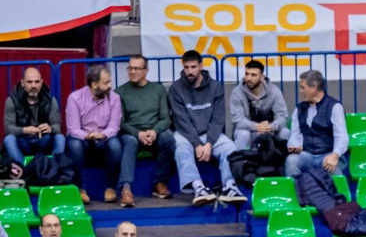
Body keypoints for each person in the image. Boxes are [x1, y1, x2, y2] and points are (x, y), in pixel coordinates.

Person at [170, 51, 245, 206]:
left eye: (193, 67)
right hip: (186, 134)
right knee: (179, 145)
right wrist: (197, 144)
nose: (190, 71)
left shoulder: (215, 87)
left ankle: (230, 186)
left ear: (201, 66)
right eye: (186, 67)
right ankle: (199, 187)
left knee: (230, 147)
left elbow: (218, 119)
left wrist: (209, 143)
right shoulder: (176, 88)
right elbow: (181, 120)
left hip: (210, 135)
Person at [115, 54, 176, 203]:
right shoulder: (120, 92)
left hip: (154, 131)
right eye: (130, 68)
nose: (132, 72)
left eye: (136, 68)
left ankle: (160, 182)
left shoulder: (158, 89)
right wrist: (138, 133)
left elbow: (165, 118)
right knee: (130, 143)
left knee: (168, 138)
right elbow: (120, 123)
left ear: (146, 71)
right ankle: (126, 189)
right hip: (131, 132)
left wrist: (154, 131)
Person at [64, 65, 125, 206]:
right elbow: (73, 129)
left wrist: (102, 135)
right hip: (83, 138)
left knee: (115, 145)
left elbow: (114, 127)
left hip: (104, 137)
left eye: (110, 82)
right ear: (94, 84)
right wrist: (87, 136)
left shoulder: (115, 98)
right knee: (74, 144)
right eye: (106, 83)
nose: (110, 86)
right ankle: (80, 187)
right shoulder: (75, 98)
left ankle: (110, 187)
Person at [286, 69, 348, 181]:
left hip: (327, 154)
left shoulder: (334, 107)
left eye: (303, 87)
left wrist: (335, 155)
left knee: (333, 169)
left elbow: (342, 136)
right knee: (292, 160)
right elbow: (295, 134)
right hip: (307, 155)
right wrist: (295, 145)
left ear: (314, 88)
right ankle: (298, 193)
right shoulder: (299, 109)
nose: (300, 91)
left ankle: (338, 197)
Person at [2, 67, 65, 166]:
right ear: (23, 83)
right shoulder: (12, 100)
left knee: (60, 138)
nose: (33, 85)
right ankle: (23, 171)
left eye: (37, 82)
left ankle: (54, 169)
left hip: (44, 140)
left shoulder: (51, 100)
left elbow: (57, 126)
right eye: (29, 82)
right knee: (9, 139)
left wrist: (50, 128)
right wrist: (25, 130)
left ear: (42, 82)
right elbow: (8, 129)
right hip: (23, 141)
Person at [230, 59, 288, 152]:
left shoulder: (274, 91)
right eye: (247, 74)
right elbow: (237, 119)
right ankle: (240, 162)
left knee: (285, 132)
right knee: (243, 134)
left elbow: (283, 116)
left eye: (253, 75)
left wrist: (271, 127)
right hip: (248, 130)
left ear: (262, 77)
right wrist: (256, 127)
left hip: (270, 129)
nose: (249, 78)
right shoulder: (237, 93)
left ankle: (284, 164)